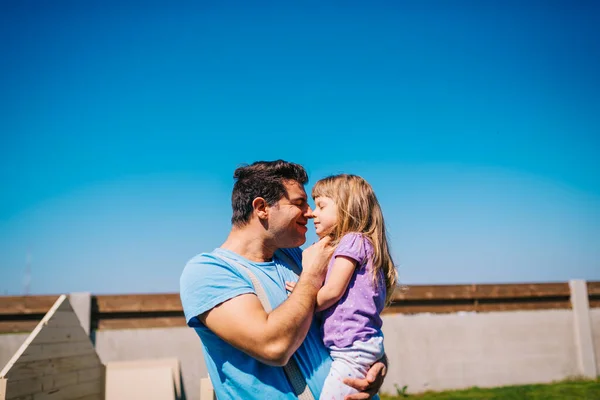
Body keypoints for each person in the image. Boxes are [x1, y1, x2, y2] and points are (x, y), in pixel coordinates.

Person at [179, 160, 386, 400]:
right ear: (261, 207)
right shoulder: (208, 272)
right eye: (299, 203)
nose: (309, 213)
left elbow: (353, 316)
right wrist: (310, 276)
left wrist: (376, 362)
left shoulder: (300, 258)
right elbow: (274, 347)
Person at [287, 174, 398, 400]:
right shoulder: (360, 243)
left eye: (321, 206)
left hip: (352, 351)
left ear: (347, 208)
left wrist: (302, 297)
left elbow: (332, 292)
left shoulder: (353, 241)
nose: (312, 213)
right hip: (355, 348)